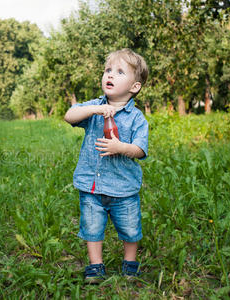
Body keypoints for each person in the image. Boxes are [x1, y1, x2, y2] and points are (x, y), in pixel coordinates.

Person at [64, 48, 149, 283]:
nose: (110, 75)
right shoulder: (95, 107)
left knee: (131, 228)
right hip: (92, 186)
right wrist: (96, 109)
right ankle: (96, 266)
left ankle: (130, 263)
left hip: (123, 188)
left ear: (134, 87)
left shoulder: (136, 118)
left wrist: (121, 147)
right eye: (108, 70)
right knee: (92, 228)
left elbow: (140, 150)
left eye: (120, 72)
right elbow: (69, 115)